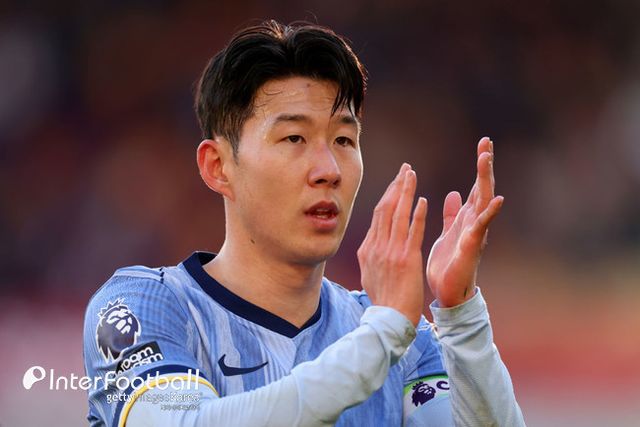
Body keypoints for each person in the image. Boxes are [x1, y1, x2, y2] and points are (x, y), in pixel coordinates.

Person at [83, 20, 525, 426]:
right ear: (218, 166)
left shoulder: (402, 339)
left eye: (344, 139)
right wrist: (381, 337)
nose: (328, 169)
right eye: (294, 137)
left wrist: (461, 316)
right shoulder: (139, 308)